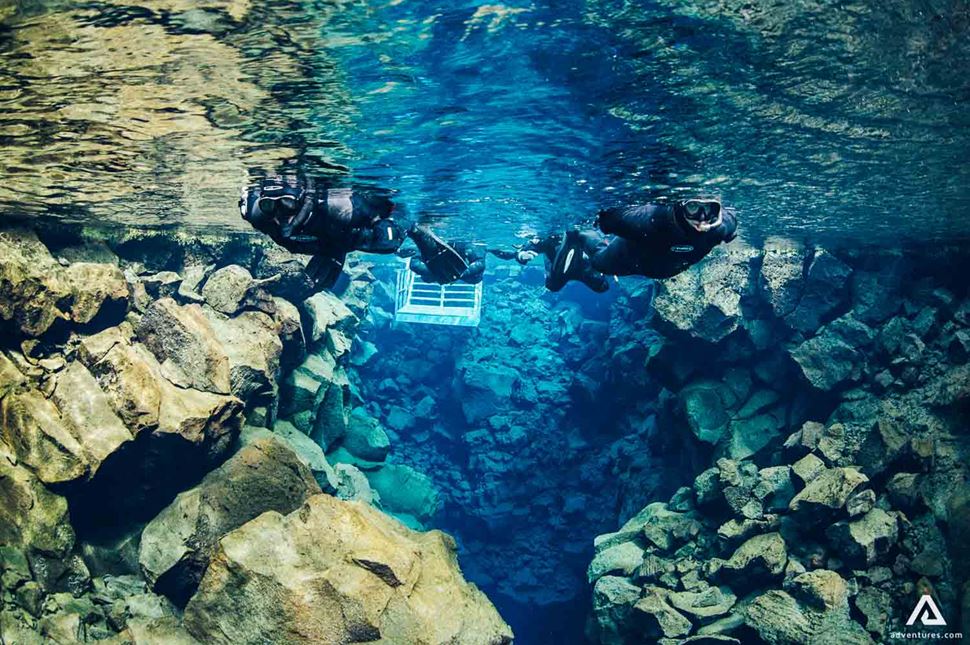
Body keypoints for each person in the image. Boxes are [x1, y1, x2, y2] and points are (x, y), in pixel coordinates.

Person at [240, 176, 406, 289]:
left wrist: (337, 251)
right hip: (323, 243)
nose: (279, 214)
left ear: (303, 199)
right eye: (268, 205)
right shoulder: (257, 214)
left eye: (287, 204)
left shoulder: (341, 209)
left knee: (386, 241)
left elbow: (385, 213)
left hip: (341, 238)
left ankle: (417, 234)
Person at [591, 198, 737, 279]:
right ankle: (579, 237)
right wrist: (603, 221)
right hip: (626, 258)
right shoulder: (648, 220)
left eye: (708, 208)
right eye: (693, 207)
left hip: (666, 269)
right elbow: (607, 217)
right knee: (597, 263)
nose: (702, 217)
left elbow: (730, 220)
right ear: (681, 206)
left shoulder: (721, 228)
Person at [492, 229, 610, 293]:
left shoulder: (554, 260)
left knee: (554, 284)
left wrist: (522, 255)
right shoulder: (558, 265)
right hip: (569, 242)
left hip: (562, 242)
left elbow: (536, 244)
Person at [407, 225, 486, 285]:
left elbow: (480, 263)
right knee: (427, 278)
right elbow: (414, 264)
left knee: (476, 279)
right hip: (439, 259)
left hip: (447, 257)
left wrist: (460, 274)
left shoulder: (467, 245)